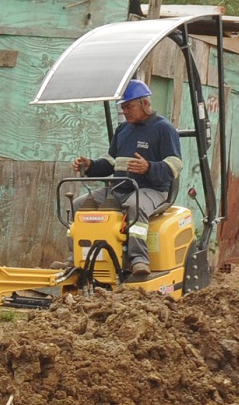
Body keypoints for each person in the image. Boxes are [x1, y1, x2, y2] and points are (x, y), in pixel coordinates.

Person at [70, 78, 182, 275]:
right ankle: (76, 258)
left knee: (134, 205)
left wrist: (149, 167)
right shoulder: (123, 130)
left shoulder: (164, 129)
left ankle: (138, 260)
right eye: (123, 107)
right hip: (118, 188)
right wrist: (90, 166)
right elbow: (111, 162)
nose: (125, 111)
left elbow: (175, 165)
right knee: (78, 205)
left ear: (145, 103)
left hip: (152, 190)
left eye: (129, 106)